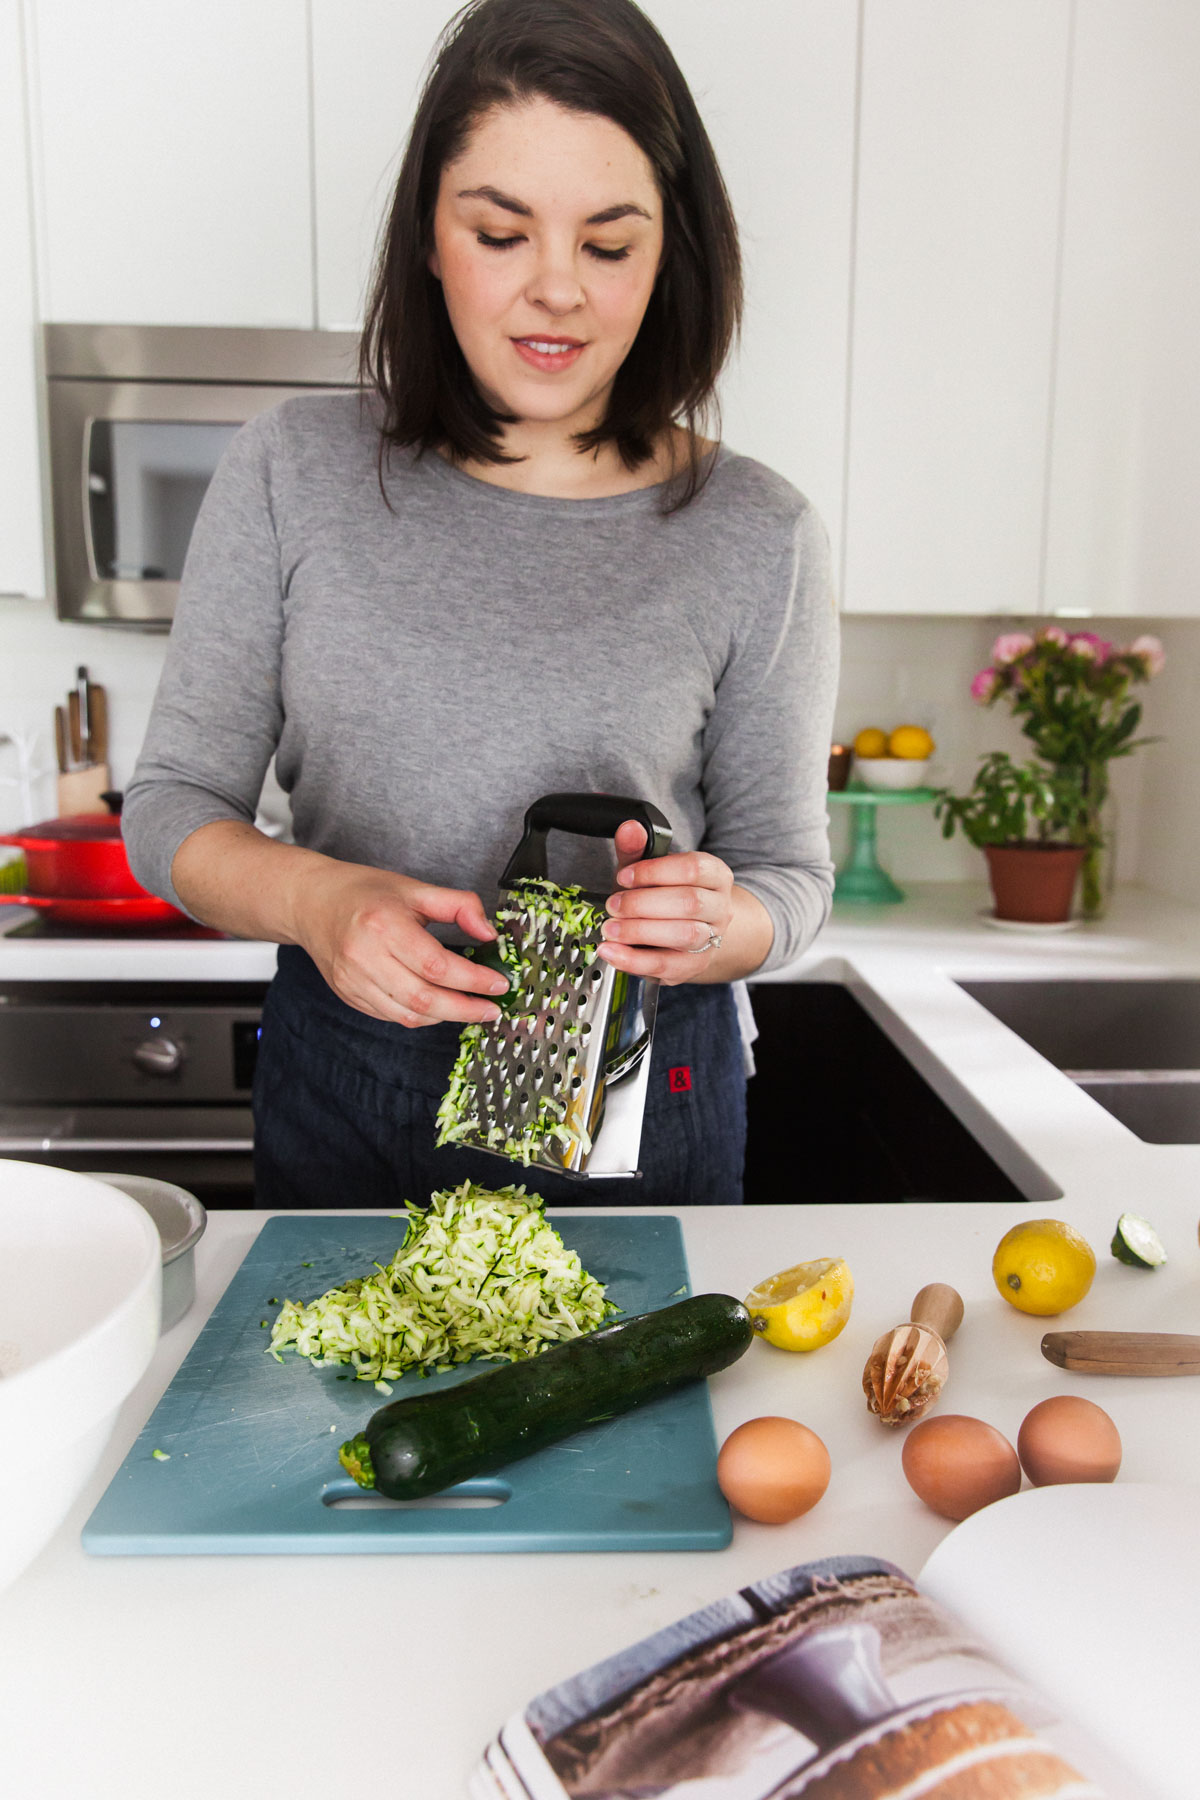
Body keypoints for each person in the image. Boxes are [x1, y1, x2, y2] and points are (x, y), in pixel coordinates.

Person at [123, 0, 840, 1209]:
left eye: (609, 246)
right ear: (428, 237)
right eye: (502, 232)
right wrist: (322, 898)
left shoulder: (760, 534)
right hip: (344, 1082)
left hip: (631, 1097)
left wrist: (715, 923)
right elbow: (172, 810)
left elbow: (787, 880)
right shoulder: (291, 473)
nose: (556, 289)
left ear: (673, 257)